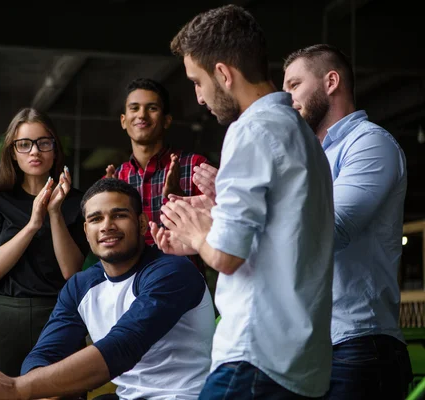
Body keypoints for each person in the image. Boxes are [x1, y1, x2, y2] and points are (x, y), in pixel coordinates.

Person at [151, 5, 335, 399]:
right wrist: (210, 223)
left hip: (254, 357)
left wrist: (198, 234)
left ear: (223, 73)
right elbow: (276, 237)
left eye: (197, 82)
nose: (198, 98)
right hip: (300, 364)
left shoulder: (250, 130)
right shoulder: (302, 136)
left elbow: (226, 257)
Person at [0, 178, 215, 400]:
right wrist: (31, 382)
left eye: (119, 215)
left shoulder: (172, 272)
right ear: (86, 231)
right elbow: (43, 355)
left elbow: (123, 347)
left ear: (141, 223)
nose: (107, 226)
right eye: (96, 219)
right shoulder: (81, 285)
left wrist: (19, 388)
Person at [282, 44, 412, 399]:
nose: (287, 98)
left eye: (294, 85)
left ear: (331, 81)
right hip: (314, 349)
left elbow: (329, 231)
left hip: (358, 345)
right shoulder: (307, 159)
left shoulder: (370, 143)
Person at [0, 107, 89, 377]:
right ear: (13, 153)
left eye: (43, 143)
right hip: (5, 318)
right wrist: (33, 224)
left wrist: (54, 213)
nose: (34, 152)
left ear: (55, 149)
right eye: (24, 145)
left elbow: (71, 271)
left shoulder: (77, 202)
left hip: (58, 315)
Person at [105, 78, 208, 247]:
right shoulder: (116, 178)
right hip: (134, 274)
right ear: (123, 120)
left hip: (182, 272)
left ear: (167, 120)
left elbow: (219, 230)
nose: (141, 115)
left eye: (152, 108)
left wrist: (179, 199)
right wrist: (107, 199)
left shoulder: (196, 167)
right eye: (134, 108)